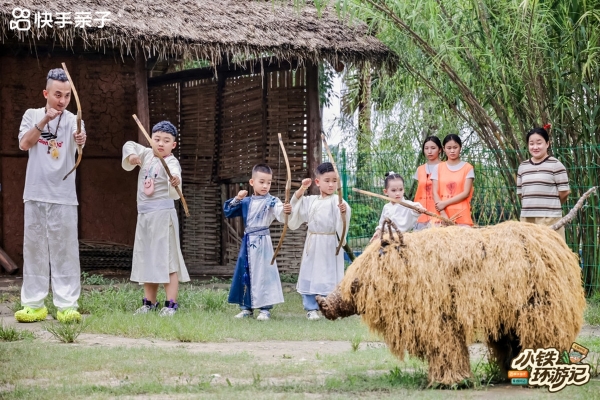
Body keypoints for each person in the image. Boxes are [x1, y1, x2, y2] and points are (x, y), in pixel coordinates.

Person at [15, 68, 87, 323]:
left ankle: (67, 306)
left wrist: (80, 138)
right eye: (58, 94)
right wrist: (45, 120)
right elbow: (24, 143)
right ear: (46, 93)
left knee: (65, 251)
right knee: (34, 250)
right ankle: (34, 305)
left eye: (67, 95)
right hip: (35, 193)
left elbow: (80, 144)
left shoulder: (73, 120)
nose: (63, 100)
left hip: (64, 196)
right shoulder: (31, 115)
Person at [122, 121, 190, 317]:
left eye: (166, 141)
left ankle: (170, 305)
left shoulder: (171, 162)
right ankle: (149, 302)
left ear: (173, 145)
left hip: (162, 217)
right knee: (147, 258)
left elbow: (175, 175)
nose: (161, 144)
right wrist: (132, 156)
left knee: (167, 259)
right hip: (144, 216)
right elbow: (129, 145)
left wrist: (175, 180)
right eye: (157, 139)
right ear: (151, 139)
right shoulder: (145, 155)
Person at [224, 164, 292, 321]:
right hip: (248, 242)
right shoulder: (246, 201)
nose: (265, 186)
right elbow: (228, 211)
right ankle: (246, 308)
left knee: (264, 274)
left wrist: (286, 209)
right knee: (246, 272)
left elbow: (280, 212)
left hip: (263, 243)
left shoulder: (272, 201)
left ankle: (265, 309)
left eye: (268, 182)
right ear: (252, 182)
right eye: (261, 182)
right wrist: (238, 198)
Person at [288, 162, 351, 320]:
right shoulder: (311, 200)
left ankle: (329, 307)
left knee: (328, 275)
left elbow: (343, 220)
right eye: (327, 180)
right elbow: (296, 205)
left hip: (330, 243)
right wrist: (302, 189)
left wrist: (344, 212)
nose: (331, 184)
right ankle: (311, 308)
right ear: (318, 182)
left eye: (334, 181)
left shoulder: (338, 200)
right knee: (310, 273)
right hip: (313, 243)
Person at [517, 125, 570, 240]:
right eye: (531, 143)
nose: (535, 147)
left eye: (539, 143)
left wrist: (550, 205)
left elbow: (564, 192)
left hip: (550, 219)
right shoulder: (523, 167)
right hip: (527, 218)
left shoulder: (556, 165)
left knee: (552, 252)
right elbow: (521, 193)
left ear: (547, 143)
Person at [431, 134, 475, 226]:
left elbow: (465, 193)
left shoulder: (468, 168)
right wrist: (443, 215)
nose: (452, 150)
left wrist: (445, 203)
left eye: (455, 147)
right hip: (441, 216)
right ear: (444, 149)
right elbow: (435, 192)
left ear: (460, 148)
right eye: (449, 148)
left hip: (461, 215)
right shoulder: (438, 168)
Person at [370, 172, 425, 242]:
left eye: (400, 189)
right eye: (393, 190)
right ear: (385, 192)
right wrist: (378, 231)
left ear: (403, 190)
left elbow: (415, 208)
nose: (398, 193)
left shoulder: (407, 205)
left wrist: (418, 209)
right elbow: (382, 224)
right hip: (388, 239)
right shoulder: (386, 207)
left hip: (404, 240)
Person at [413, 136, 443, 230]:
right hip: (421, 215)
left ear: (440, 150)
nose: (429, 151)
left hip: (439, 216)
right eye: (426, 148)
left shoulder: (445, 167)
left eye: (433, 148)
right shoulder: (420, 169)